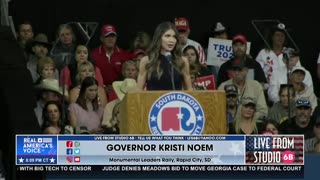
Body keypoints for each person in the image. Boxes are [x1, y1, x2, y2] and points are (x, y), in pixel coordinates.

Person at [137, 21, 192, 91]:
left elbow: (189, 89)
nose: (172, 40)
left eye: (174, 37)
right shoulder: (147, 60)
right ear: (159, 38)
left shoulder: (182, 61)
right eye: (167, 36)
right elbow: (138, 90)